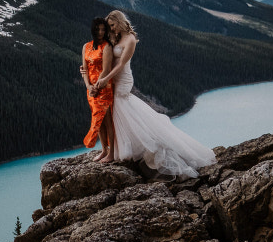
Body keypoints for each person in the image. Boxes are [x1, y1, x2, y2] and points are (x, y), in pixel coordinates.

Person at [92, 10, 216, 179]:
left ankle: (127, 148)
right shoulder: (116, 37)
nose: (111, 29)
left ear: (120, 22)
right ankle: (118, 149)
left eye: (113, 25)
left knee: (121, 108)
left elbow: (121, 64)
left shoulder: (130, 39)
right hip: (113, 78)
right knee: (117, 111)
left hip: (123, 78)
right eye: (110, 26)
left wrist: (106, 77)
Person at [81, 17, 115, 162]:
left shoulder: (107, 46)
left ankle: (112, 153)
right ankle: (104, 150)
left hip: (104, 87)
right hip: (91, 89)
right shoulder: (86, 47)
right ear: (93, 30)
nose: (101, 32)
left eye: (103, 29)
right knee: (98, 120)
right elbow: (84, 69)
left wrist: (95, 87)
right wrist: (88, 86)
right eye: (98, 29)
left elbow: (106, 69)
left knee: (107, 120)